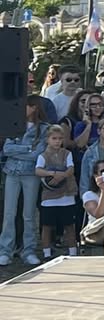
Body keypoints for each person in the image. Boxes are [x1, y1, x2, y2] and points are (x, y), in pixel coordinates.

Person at [0, 96, 48, 266]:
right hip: (12, 172)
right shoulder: (13, 126)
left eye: (26, 106)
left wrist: (19, 151)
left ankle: (28, 250)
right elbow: (7, 149)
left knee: (28, 214)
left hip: (31, 174)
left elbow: (38, 154)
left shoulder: (44, 128)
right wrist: (27, 148)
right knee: (9, 213)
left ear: (34, 107)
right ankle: (5, 250)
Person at [35, 124, 78, 259]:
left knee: (69, 226)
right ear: (48, 139)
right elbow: (38, 170)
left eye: (60, 138)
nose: (57, 141)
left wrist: (62, 176)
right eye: (54, 138)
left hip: (67, 195)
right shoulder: (43, 156)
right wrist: (52, 173)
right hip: (49, 197)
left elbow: (71, 169)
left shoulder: (67, 154)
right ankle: (46, 254)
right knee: (47, 226)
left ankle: (73, 253)